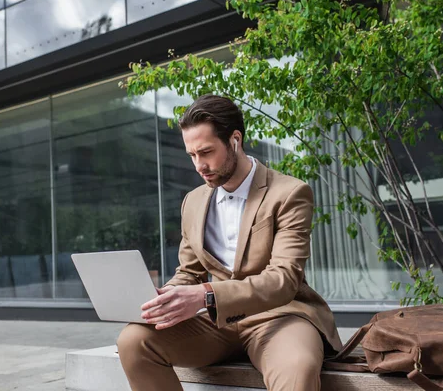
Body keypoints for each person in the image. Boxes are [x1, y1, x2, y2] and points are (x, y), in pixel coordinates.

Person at [117, 94, 342, 391]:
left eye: (206, 152)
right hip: (216, 324)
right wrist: (167, 296)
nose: (199, 165)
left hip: (280, 315)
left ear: (235, 140)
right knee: (133, 341)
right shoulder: (193, 201)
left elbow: (284, 280)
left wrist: (206, 295)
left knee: (297, 368)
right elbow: (189, 272)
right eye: (192, 155)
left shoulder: (289, 193)